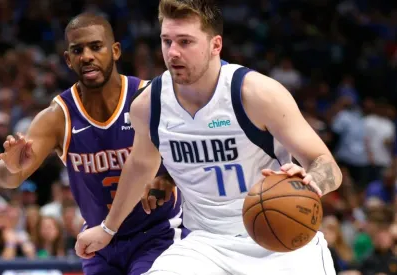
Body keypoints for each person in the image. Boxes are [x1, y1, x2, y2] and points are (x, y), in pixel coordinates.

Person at [75, 1, 343, 275]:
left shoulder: (257, 94)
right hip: (207, 244)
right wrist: (108, 229)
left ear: (216, 45)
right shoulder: (147, 105)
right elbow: (141, 165)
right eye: (167, 41)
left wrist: (311, 184)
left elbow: (326, 165)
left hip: (283, 242)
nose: (173, 52)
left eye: (185, 42)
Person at [0, 13, 184, 275]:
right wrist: (12, 168)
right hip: (100, 241)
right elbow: (6, 180)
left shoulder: (148, 96)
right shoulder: (57, 117)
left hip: (157, 234)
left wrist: (168, 177)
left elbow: (195, 152)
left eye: (96, 47)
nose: (86, 56)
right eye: (77, 50)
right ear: (68, 60)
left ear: (115, 51)